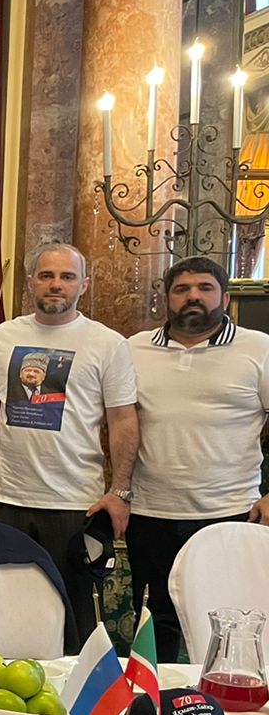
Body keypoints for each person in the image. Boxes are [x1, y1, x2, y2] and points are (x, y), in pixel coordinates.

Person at [0, 242, 138, 648]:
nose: (56, 284)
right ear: (31, 282)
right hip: (8, 495)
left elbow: (123, 420)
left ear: (83, 285)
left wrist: (120, 491)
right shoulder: (2, 338)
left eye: (67, 277)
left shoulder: (107, 343)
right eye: (47, 275)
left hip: (75, 500)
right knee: (10, 606)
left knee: (74, 612)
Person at [127, 255, 269, 661]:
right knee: (154, 619)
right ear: (166, 299)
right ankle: (156, 697)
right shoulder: (133, 348)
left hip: (229, 510)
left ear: (225, 298)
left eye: (205, 288)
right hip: (150, 512)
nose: (193, 297)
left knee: (229, 619)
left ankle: (224, 697)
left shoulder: (259, 349)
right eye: (182, 289)